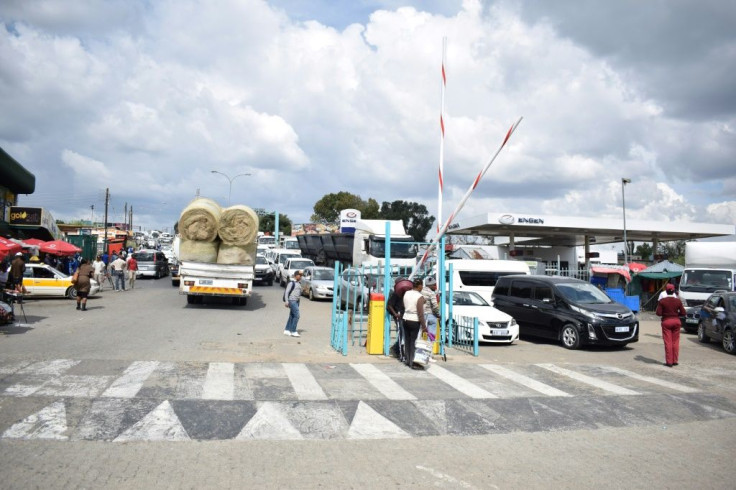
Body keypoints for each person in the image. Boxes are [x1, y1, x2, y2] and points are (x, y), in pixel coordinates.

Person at [655, 283, 686, 367]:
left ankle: (669, 362)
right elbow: (683, 313)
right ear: (673, 292)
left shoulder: (662, 301)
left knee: (668, 342)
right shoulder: (678, 301)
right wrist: (676, 314)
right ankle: (675, 360)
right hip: (676, 321)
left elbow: (658, 313)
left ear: (666, 291)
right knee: (675, 342)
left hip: (666, 322)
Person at [402, 278, 427, 369]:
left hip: (405, 319)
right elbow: (420, 313)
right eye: (422, 285)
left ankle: (407, 360)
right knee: (413, 342)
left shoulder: (406, 293)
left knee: (407, 341)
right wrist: (424, 326)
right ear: (419, 285)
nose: (422, 287)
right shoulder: (419, 297)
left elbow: (404, 305)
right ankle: (412, 362)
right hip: (414, 320)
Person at [387, 279, 406, 360]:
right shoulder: (395, 293)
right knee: (401, 334)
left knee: (404, 334)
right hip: (399, 317)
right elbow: (389, 305)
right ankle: (397, 350)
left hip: (406, 316)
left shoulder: (405, 293)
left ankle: (398, 349)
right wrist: (395, 314)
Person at [283, 270, 303, 337]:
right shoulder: (291, 283)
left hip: (296, 301)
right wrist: (286, 301)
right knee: (297, 315)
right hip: (292, 301)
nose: (300, 277)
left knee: (292, 316)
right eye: (299, 275)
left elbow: (299, 292)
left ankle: (287, 330)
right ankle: (293, 331)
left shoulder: (299, 283)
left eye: (301, 275)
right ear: (296, 276)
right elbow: (286, 292)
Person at [421, 276, 441, 341]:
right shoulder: (431, 293)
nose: (435, 287)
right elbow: (435, 306)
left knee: (420, 334)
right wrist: (438, 315)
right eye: (434, 285)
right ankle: (429, 346)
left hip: (420, 315)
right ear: (431, 285)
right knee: (431, 334)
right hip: (429, 315)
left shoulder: (420, 291)